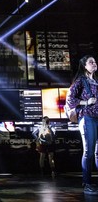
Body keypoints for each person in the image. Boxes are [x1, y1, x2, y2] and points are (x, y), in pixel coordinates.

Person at [65, 55, 98, 195]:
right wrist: (86, 102)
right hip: (87, 118)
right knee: (89, 152)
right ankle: (87, 183)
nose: (94, 63)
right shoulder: (80, 81)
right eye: (91, 62)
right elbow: (70, 99)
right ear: (84, 65)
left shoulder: (95, 81)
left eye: (95, 61)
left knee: (97, 153)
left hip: (96, 118)